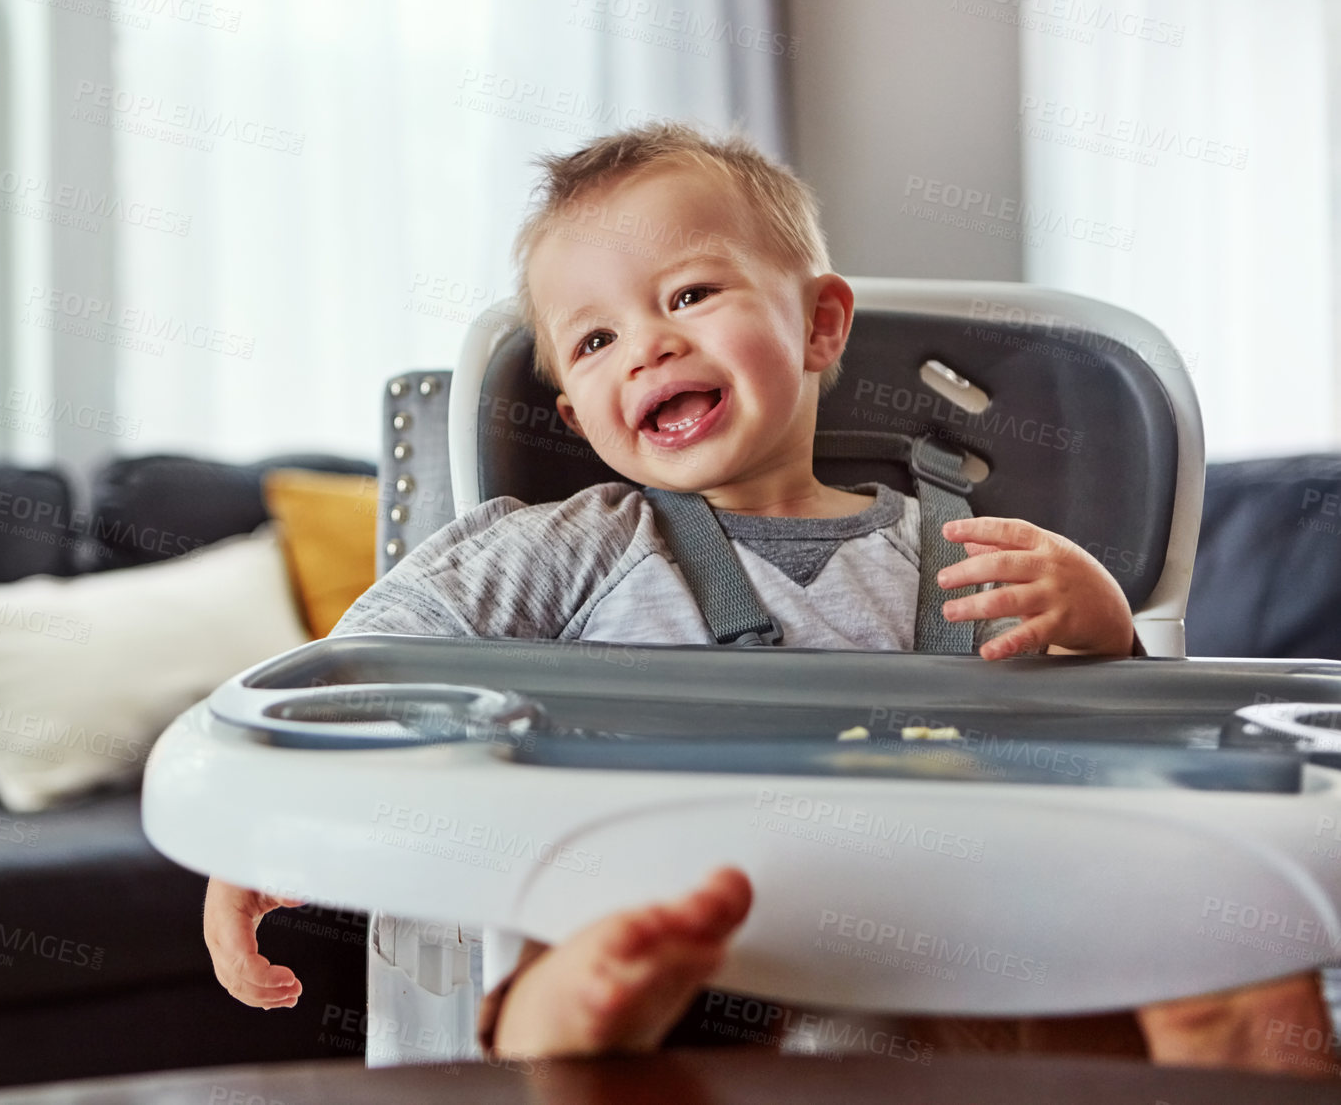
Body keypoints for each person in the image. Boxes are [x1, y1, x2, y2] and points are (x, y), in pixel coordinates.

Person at [204, 122, 1336, 1073]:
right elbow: (360, 675)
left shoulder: (970, 550)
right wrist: (260, 831)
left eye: (690, 292)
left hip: (955, 936)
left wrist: (1098, 631)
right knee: (606, 945)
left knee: (1220, 963)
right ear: (578, 416)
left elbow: (1124, 762)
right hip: (684, 930)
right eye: (594, 339)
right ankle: (565, 1029)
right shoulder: (559, 548)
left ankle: (1222, 1032)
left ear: (817, 324)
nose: (647, 343)